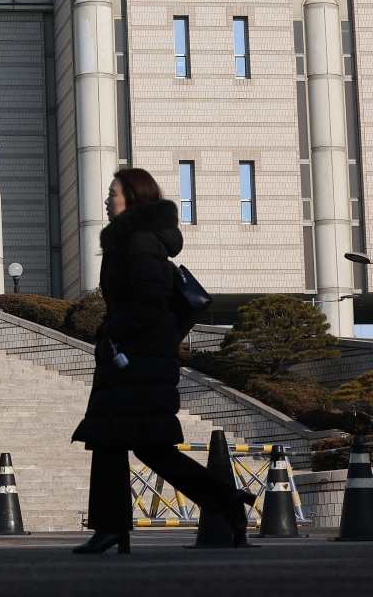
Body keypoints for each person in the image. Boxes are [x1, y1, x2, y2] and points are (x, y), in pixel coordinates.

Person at [71, 168, 254, 554]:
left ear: (133, 197)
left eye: (113, 193)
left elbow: (150, 304)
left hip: (139, 360)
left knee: (112, 438)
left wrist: (110, 331)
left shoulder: (140, 242)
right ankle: (228, 502)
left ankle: (111, 527)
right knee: (146, 446)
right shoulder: (131, 241)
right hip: (137, 358)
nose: (107, 200)